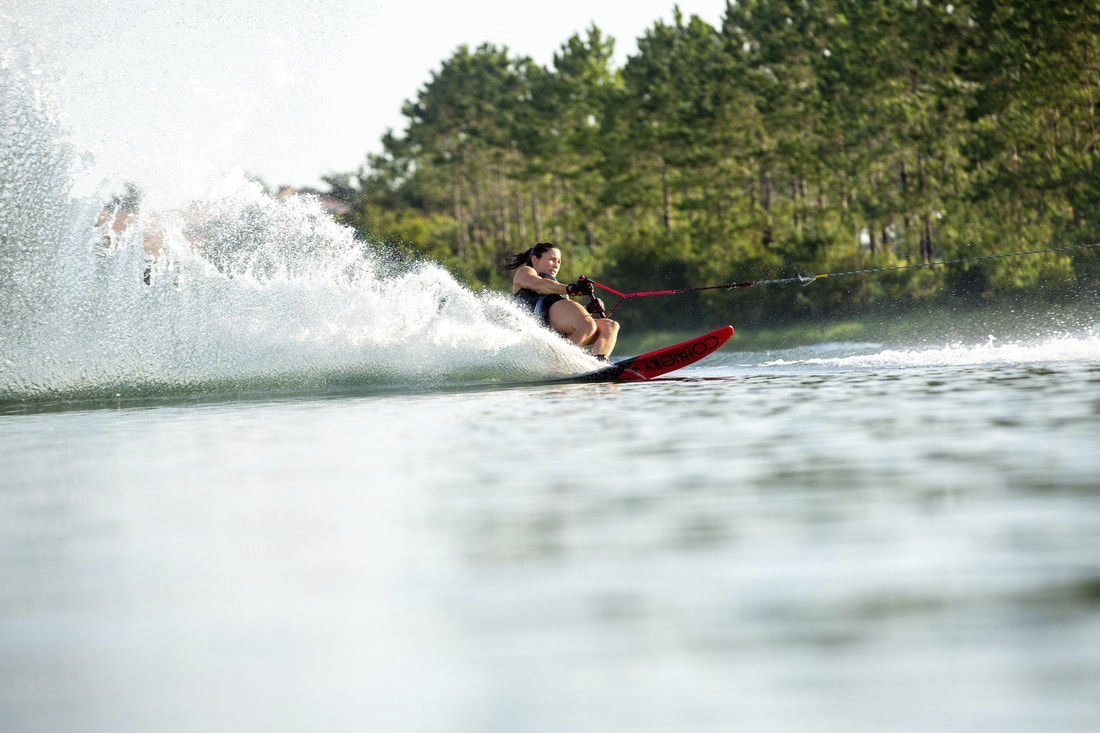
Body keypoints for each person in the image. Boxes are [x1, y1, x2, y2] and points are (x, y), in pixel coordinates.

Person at [500, 242, 620, 360]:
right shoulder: (525, 272)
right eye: (552, 259)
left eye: (558, 262)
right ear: (535, 260)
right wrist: (571, 289)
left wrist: (588, 309)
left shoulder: (556, 287)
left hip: (556, 333)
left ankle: (600, 363)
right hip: (538, 331)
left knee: (610, 325)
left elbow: (562, 318)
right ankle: (557, 366)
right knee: (588, 326)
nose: (556, 265)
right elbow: (539, 285)